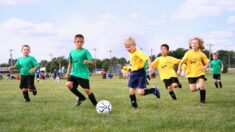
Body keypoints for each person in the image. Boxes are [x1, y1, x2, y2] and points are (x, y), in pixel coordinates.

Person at [124, 37, 160, 109]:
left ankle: (154, 90)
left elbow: (148, 59)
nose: (128, 49)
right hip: (133, 74)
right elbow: (135, 62)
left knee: (140, 92)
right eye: (126, 47)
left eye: (129, 46)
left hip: (141, 73)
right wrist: (130, 68)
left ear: (134, 45)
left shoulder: (138, 52)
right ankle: (134, 106)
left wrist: (150, 68)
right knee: (131, 91)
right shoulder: (131, 53)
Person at [65, 34, 97, 107]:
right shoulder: (71, 52)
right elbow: (70, 63)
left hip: (83, 74)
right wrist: (67, 72)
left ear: (83, 42)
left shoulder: (85, 51)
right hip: (74, 73)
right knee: (68, 84)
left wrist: (88, 62)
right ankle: (81, 97)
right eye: (78, 41)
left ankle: (96, 105)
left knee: (87, 90)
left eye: (81, 42)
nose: (79, 43)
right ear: (75, 42)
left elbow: (92, 62)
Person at [177, 37, 210, 104]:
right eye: (193, 43)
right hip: (191, 73)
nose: (194, 44)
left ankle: (202, 100)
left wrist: (205, 67)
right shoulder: (188, 53)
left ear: (199, 45)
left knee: (202, 86)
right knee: (193, 89)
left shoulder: (201, 53)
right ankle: (199, 87)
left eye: (196, 43)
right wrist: (178, 70)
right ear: (190, 44)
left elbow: (208, 61)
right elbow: (181, 62)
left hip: (200, 72)